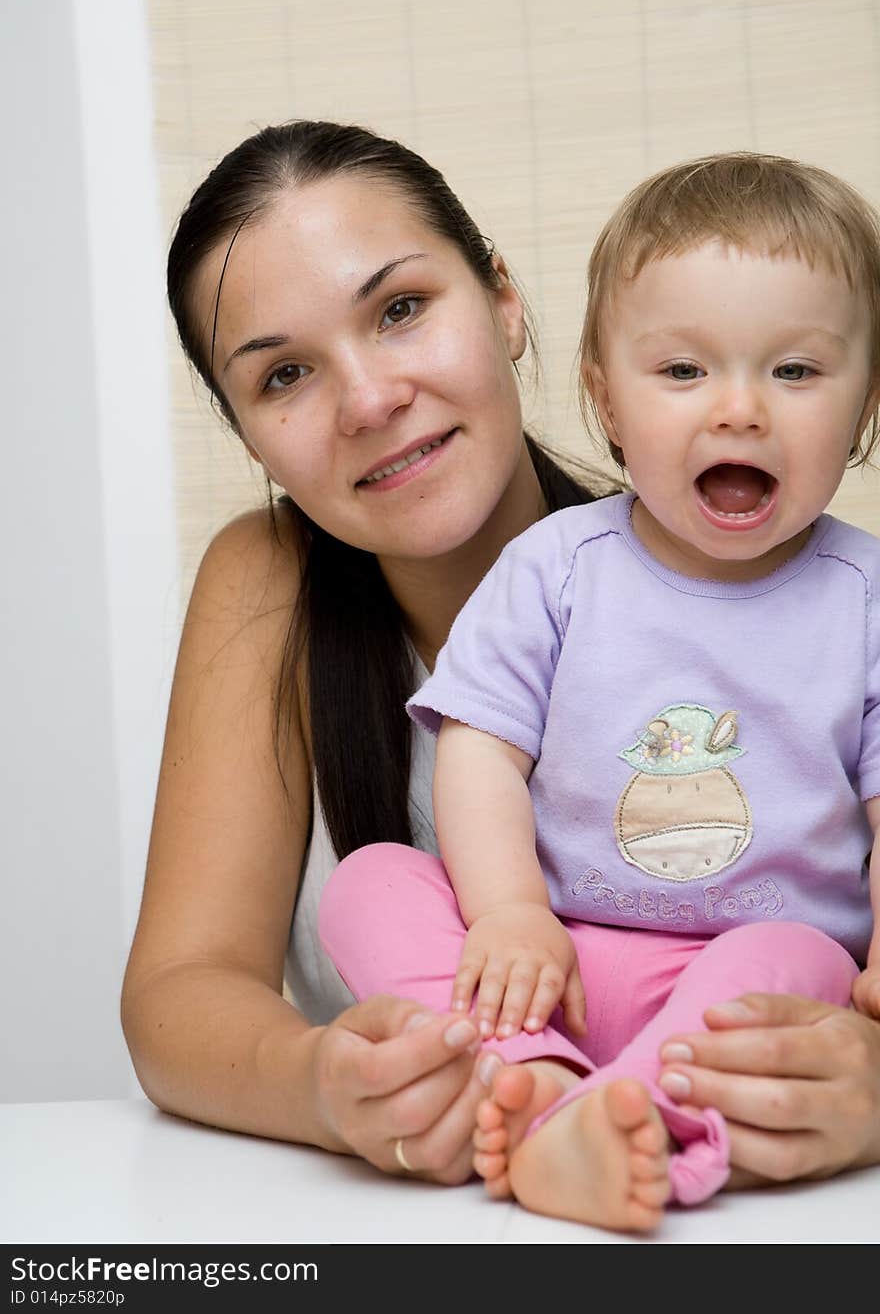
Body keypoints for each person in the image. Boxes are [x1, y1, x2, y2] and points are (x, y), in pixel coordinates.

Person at [121, 122, 880, 1194]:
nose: (371, 400)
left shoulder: (790, 589)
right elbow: (176, 997)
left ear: (504, 299)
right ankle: (554, 1115)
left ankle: (625, 1122)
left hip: (720, 1149)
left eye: (400, 309)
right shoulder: (269, 580)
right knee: (378, 885)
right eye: (285, 373)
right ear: (248, 436)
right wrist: (326, 1085)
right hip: (447, 1192)